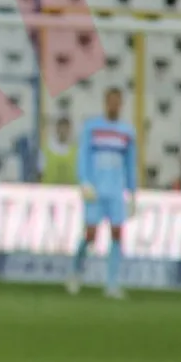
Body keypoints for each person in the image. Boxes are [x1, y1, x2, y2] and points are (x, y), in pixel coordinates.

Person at [66, 87, 137, 299]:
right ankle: (75, 272)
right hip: (95, 190)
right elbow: (83, 156)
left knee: (117, 233)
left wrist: (132, 192)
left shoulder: (127, 132)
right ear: (105, 102)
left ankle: (112, 284)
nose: (114, 105)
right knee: (90, 235)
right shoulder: (92, 128)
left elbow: (130, 163)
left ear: (121, 104)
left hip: (115, 190)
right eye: (111, 101)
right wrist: (84, 182)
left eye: (117, 102)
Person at [39, 116, 76, 185]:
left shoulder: (76, 151)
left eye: (66, 128)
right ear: (57, 129)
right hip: (50, 190)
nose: (63, 131)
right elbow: (40, 173)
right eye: (62, 128)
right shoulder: (46, 150)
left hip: (70, 190)